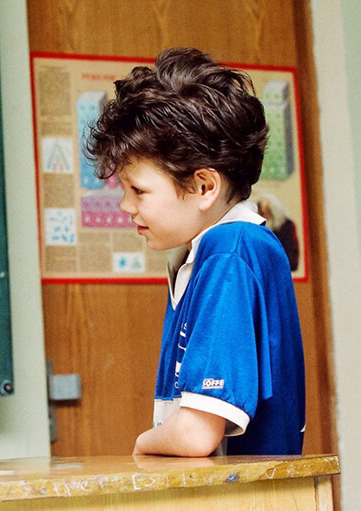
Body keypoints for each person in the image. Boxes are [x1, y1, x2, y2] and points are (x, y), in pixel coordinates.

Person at [85, 48, 305, 456]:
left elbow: (195, 434)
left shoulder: (229, 253)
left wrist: (141, 446)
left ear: (204, 187)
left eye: (138, 190)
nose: (126, 206)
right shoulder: (213, 252)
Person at [257, 193, 300, 271]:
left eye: (267, 212)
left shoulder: (287, 226)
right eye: (261, 212)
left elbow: (292, 260)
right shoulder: (258, 228)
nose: (264, 216)